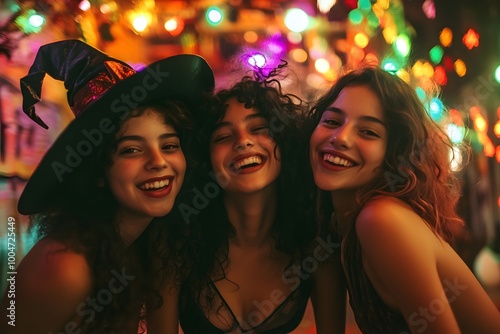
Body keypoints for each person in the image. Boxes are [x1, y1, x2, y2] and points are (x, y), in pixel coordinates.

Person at [0, 39, 214, 333]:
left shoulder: (146, 244)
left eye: (169, 145)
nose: (158, 162)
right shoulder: (66, 266)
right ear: (98, 171)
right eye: (131, 150)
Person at [149, 64, 346, 333]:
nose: (243, 141)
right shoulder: (174, 242)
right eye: (223, 136)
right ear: (204, 160)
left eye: (259, 129)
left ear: (285, 142)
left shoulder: (316, 243)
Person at [307, 65, 500, 333]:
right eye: (331, 121)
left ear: (393, 153)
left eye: (368, 132)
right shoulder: (337, 222)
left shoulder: (380, 219)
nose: (340, 138)